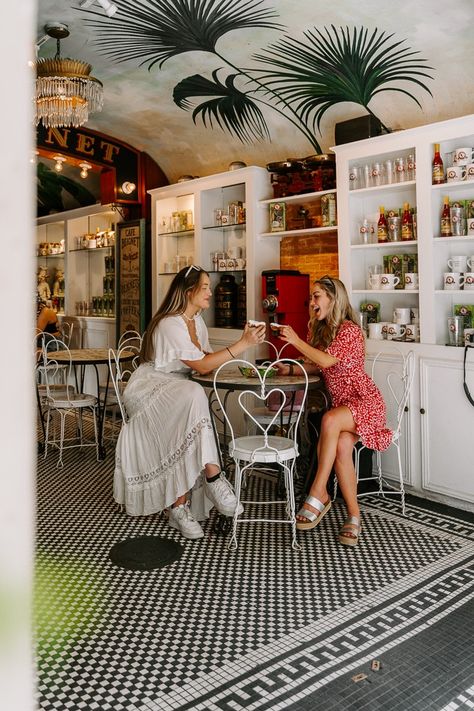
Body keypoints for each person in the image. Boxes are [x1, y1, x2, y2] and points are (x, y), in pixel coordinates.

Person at [113, 265, 266, 540]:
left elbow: (204, 359)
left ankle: (179, 507)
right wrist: (241, 345)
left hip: (179, 388)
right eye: (205, 286)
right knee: (194, 393)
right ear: (188, 291)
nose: (210, 291)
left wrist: (233, 356)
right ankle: (213, 478)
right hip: (151, 387)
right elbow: (200, 365)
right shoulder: (170, 322)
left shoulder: (197, 322)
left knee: (191, 399)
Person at [274, 275, 392, 546]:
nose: (312, 302)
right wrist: (291, 368)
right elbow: (319, 366)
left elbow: (326, 359)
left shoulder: (349, 330)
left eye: (317, 296)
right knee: (340, 446)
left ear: (333, 299)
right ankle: (354, 516)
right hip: (344, 409)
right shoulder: (323, 330)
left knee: (328, 419)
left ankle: (319, 492)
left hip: (365, 403)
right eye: (311, 297)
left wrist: (293, 338)